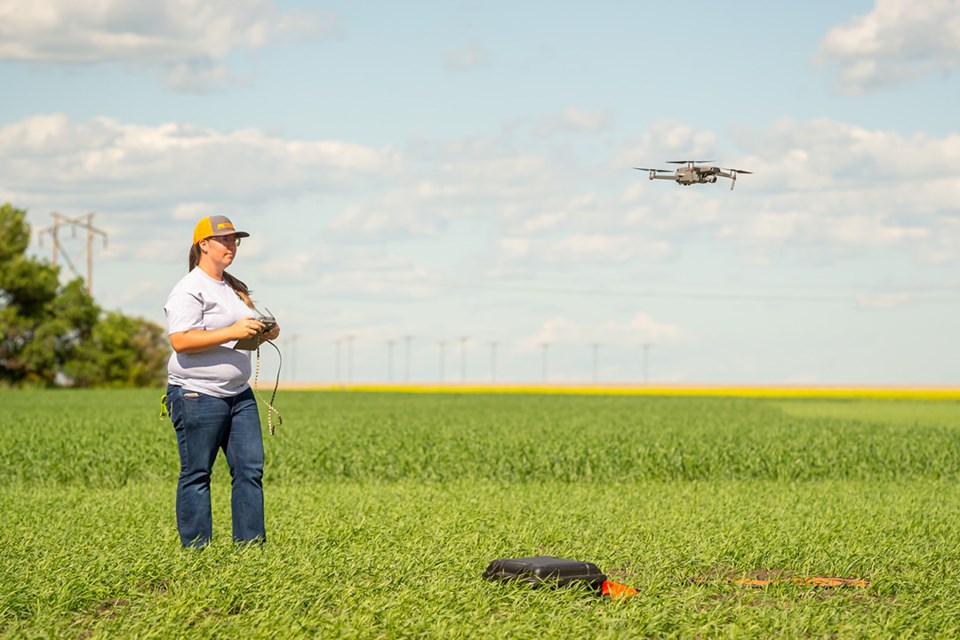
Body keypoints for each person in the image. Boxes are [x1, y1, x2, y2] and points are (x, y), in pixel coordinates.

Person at [163, 215, 280, 548]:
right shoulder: (188, 289)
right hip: (197, 394)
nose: (232, 246)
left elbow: (245, 329)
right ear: (203, 245)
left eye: (235, 241)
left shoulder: (234, 287)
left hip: (239, 395)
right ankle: (197, 553)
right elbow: (181, 341)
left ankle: (250, 550)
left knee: (250, 471)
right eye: (225, 240)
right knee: (198, 473)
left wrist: (266, 331)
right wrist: (231, 331)